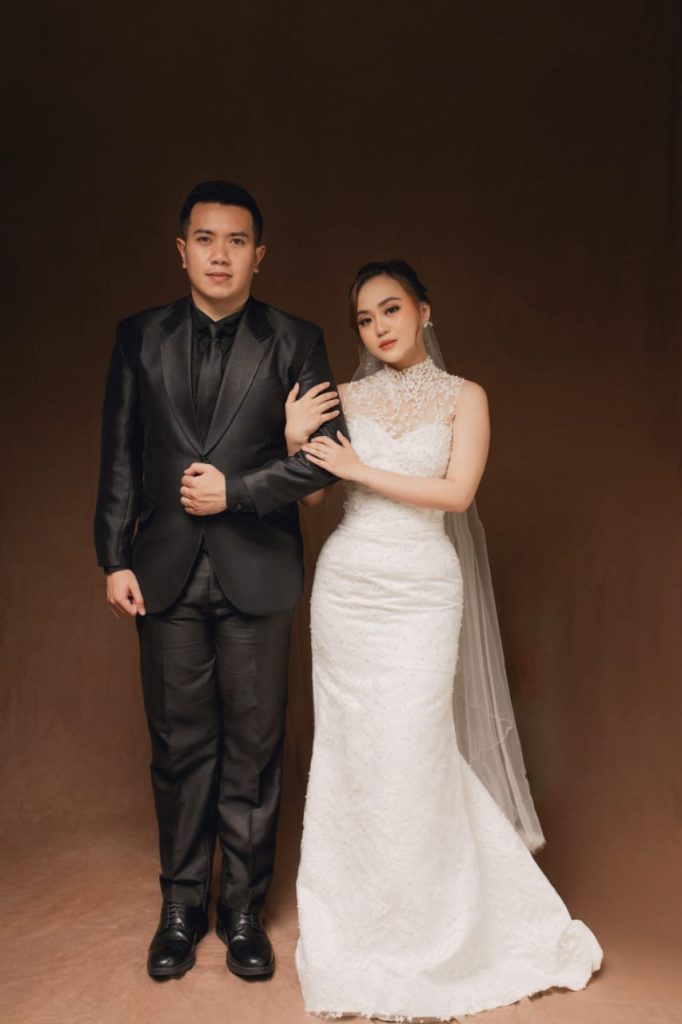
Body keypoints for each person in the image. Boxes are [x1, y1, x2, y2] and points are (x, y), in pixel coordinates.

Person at [288, 260, 602, 1019]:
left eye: (391, 309)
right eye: (364, 319)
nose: (378, 328)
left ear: (425, 311)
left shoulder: (466, 397)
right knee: (353, 752)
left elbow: (457, 494)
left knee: (415, 746)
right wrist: (296, 439)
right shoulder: (344, 397)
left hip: (423, 589)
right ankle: (359, 922)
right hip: (348, 589)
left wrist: (361, 467)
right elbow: (317, 497)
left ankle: (437, 926)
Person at [94, 181, 345, 981]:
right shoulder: (138, 337)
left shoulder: (296, 340)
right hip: (161, 572)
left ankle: (241, 912)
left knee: (255, 750)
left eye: (237, 241)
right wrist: (113, 556)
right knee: (178, 747)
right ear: (182, 250)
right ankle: (179, 909)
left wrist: (235, 492)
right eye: (205, 239)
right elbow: (120, 453)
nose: (220, 254)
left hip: (259, 570)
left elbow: (325, 459)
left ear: (258, 255)